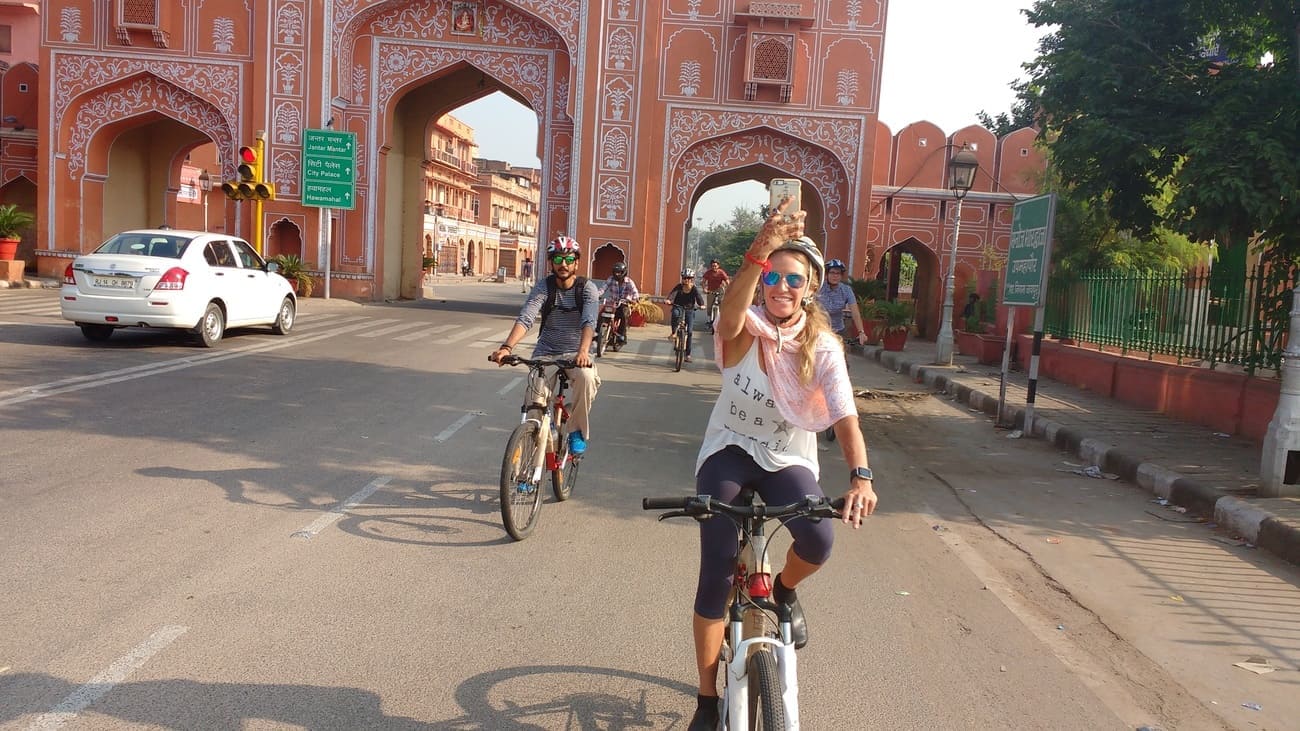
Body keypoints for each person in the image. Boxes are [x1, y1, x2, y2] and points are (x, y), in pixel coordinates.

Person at [686, 203, 877, 731]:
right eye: (773, 276)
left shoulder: (824, 347)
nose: (781, 287)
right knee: (716, 572)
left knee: (819, 540)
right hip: (730, 451)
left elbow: (844, 419)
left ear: (810, 288)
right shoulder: (746, 328)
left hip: (787, 458)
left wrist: (860, 477)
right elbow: (729, 313)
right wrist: (758, 250)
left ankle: (786, 589)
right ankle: (706, 698)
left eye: (794, 279)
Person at [490, 236, 602, 456]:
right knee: (534, 406)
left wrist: (583, 352)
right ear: (551, 262)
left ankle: (577, 431)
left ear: (576, 263)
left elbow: (589, 321)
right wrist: (506, 348)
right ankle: (528, 468)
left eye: (569, 259)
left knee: (587, 378)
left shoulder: (587, 289)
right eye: (558, 258)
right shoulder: (544, 287)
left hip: (575, 353)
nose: (564, 264)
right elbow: (527, 317)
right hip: (546, 352)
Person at [817, 258, 869, 347]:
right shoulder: (819, 288)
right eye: (832, 273)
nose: (835, 276)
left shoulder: (846, 290)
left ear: (841, 276)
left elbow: (855, 312)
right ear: (827, 274)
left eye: (838, 273)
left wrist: (861, 332)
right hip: (819, 329)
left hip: (838, 330)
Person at [667, 268, 706, 363]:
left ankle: (688, 354)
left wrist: (702, 305)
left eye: (689, 278)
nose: (686, 280)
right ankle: (673, 332)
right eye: (685, 278)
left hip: (690, 309)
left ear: (692, 279)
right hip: (678, 306)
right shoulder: (679, 287)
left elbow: (699, 298)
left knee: (690, 332)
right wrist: (669, 300)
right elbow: (672, 294)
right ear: (682, 278)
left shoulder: (694, 288)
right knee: (675, 314)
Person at [599, 261, 640, 345]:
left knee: (624, 315)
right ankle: (598, 334)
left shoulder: (629, 282)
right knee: (601, 314)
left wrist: (635, 299)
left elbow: (635, 292)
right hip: (612, 302)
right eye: (615, 272)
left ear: (624, 272)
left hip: (623, 303)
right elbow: (603, 288)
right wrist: (596, 294)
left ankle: (621, 335)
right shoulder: (611, 279)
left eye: (619, 272)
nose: (617, 274)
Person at [700, 259, 730, 329]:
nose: (714, 267)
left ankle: (721, 320)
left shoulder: (721, 272)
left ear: (718, 266)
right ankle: (709, 321)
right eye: (713, 266)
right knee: (709, 306)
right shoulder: (708, 272)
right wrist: (704, 289)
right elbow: (703, 282)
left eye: (715, 266)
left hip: (720, 290)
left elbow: (727, 281)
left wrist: (729, 289)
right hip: (710, 290)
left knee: (721, 304)